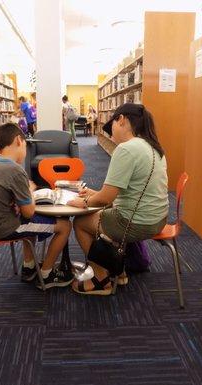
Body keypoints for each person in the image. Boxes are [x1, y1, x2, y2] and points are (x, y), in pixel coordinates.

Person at [67, 103, 168, 295]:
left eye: (112, 123)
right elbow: (126, 192)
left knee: (81, 222)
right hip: (158, 220)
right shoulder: (153, 147)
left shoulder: (127, 149)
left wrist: (85, 202)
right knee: (101, 215)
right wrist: (95, 195)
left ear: (121, 120)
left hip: (135, 222)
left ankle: (100, 279)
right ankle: (119, 273)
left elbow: (106, 199)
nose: (111, 131)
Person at [0, 123, 74, 289]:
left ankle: (29, 267)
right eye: (26, 145)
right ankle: (47, 274)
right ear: (18, 141)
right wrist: (29, 190)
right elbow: (29, 213)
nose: (26, 151)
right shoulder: (14, 170)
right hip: (2, 228)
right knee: (65, 226)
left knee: (29, 221)